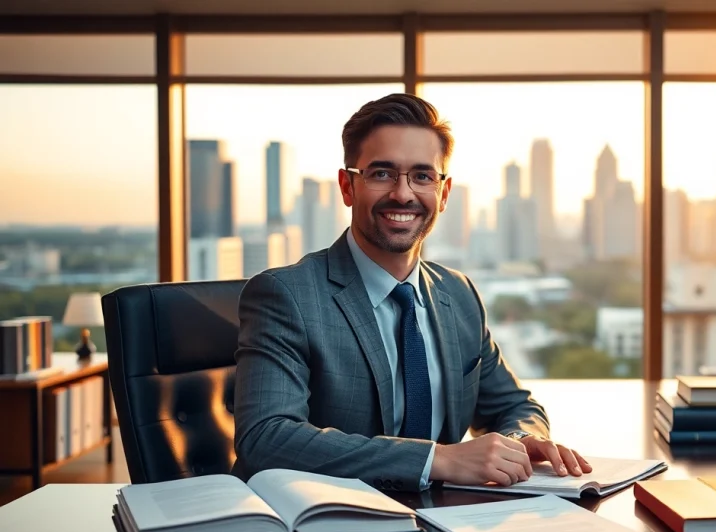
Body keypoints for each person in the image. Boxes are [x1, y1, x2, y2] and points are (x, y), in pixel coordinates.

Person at [232, 93, 592, 492]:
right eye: (382, 173)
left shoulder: (458, 293)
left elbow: (514, 405)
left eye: (422, 176)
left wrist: (521, 441)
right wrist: (438, 459)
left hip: (448, 529)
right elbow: (265, 438)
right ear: (348, 186)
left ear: (444, 193)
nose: (403, 194)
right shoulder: (287, 295)